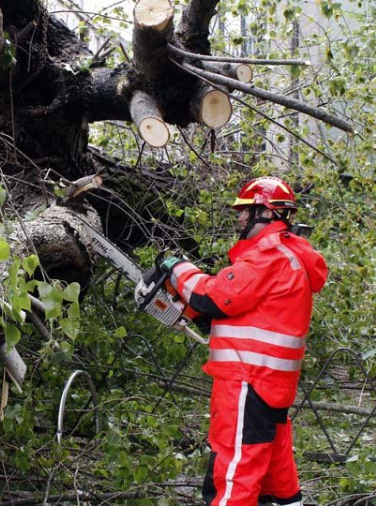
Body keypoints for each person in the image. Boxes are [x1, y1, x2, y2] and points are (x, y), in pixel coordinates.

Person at [156, 176, 327, 505]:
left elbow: (213, 296)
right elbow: (248, 312)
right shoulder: (290, 254)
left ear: (265, 212)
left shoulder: (269, 256)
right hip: (270, 383)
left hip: (250, 380)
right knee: (276, 477)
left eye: (245, 212)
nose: (239, 218)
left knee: (236, 472)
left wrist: (177, 268)